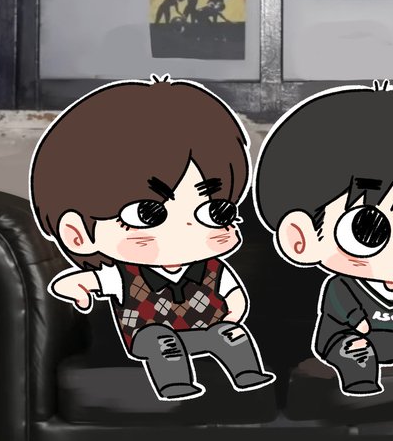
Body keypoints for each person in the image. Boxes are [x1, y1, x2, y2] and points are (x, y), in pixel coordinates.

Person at [29, 77, 276, 402]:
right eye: (148, 214)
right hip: (149, 336)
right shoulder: (124, 275)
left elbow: (233, 295)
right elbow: (85, 282)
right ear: (78, 235)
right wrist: (75, 286)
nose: (187, 227)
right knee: (163, 343)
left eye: (215, 211)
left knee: (231, 336)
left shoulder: (215, 268)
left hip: (204, 331)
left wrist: (232, 316)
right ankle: (174, 384)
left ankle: (248, 373)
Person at [252, 82, 393, 400]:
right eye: (367, 230)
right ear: (300, 237)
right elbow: (339, 311)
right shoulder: (338, 284)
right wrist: (358, 326)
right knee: (354, 351)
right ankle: (360, 383)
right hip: (346, 336)